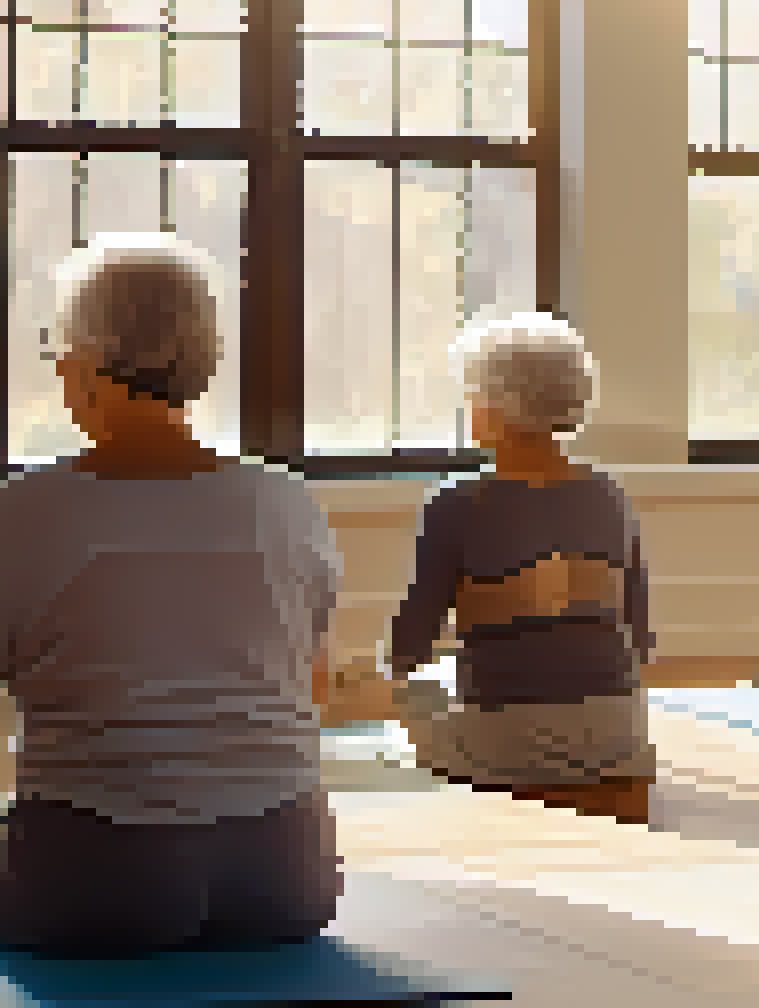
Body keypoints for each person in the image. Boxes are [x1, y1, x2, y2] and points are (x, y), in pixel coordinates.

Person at [0, 234, 343, 957]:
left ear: (81, 364)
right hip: (285, 880)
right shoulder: (286, 505)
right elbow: (305, 669)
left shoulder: (27, 511)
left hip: (95, 881)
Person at [388, 312, 659, 826]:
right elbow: (640, 633)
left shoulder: (456, 501)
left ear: (497, 409)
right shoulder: (610, 492)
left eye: (472, 395)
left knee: (418, 700)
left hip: (505, 743)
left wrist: (394, 678)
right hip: (617, 737)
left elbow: (412, 637)